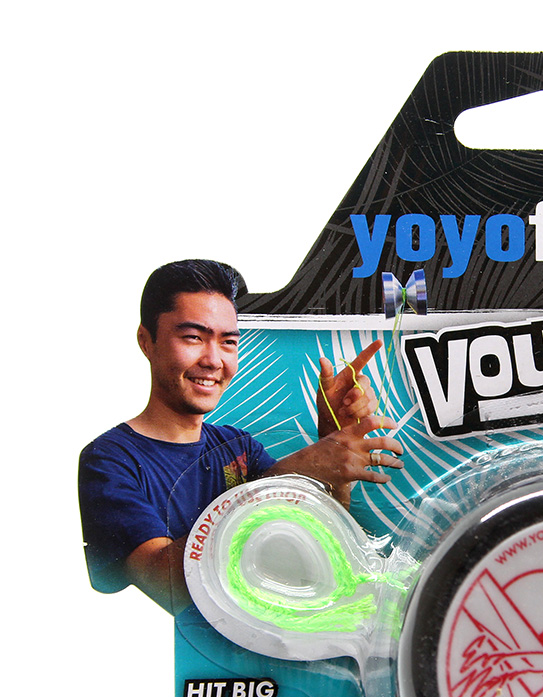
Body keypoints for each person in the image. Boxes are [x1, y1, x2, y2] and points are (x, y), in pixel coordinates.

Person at [79, 259, 404, 613]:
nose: (213, 360)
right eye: (193, 338)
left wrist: (334, 446)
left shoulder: (238, 447)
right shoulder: (109, 460)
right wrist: (291, 476)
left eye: (228, 342)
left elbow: (316, 542)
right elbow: (165, 584)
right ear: (147, 341)